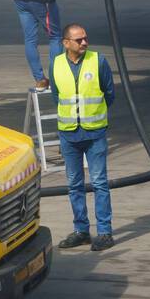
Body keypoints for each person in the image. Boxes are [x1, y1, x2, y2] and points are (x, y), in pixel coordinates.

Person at [53, 24, 115, 252]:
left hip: (94, 132)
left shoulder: (98, 61)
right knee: (74, 185)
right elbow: (57, 96)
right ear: (66, 43)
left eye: (85, 39)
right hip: (69, 135)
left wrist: (92, 116)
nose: (84, 43)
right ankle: (81, 230)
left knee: (99, 183)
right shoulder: (56, 64)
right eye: (79, 40)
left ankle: (105, 232)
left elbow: (109, 93)